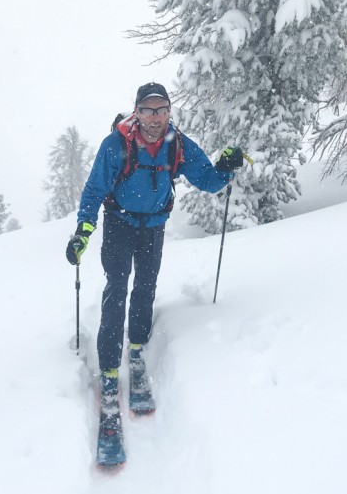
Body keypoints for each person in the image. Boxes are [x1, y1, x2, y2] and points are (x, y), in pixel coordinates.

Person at [65, 82, 244, 409]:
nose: (156, 117)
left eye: (162, 109)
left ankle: (136, 347)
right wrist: (83, 231)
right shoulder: (116, 144)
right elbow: (93, 191)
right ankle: (108, 367)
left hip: (154, 227)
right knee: (117, 288)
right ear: (138, 111)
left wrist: (224, 169)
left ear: (169, 111)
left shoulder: (177, 144)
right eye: (149, 110)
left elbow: (206, 179)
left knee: (146, 286)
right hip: (119, 224)